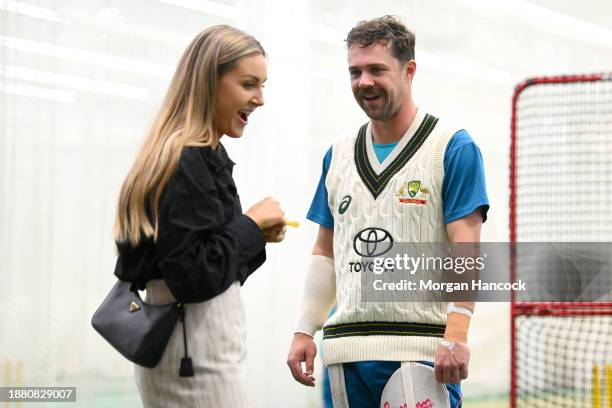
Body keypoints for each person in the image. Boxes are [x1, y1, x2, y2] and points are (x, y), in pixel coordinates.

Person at [287, 16, 489, 407]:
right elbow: (324, 251)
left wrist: (457, 332)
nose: (364, 82)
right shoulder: (338, 154)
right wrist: (304, 329)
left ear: (409, 70)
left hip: (419, 356)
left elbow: (467, 249)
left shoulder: (453, 147)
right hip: (344, 357)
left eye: (377, 69)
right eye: (355, 71)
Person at [112, 25, 285, 407]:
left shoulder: (180, 154)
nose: (260, 99)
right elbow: (192, 276)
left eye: (263, 85)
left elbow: (197, 264)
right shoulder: (188, 160)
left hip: (185, 352)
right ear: (209, 82)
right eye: (248, 84)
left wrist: (252, 234)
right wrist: (249, 225)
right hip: (197, 361)